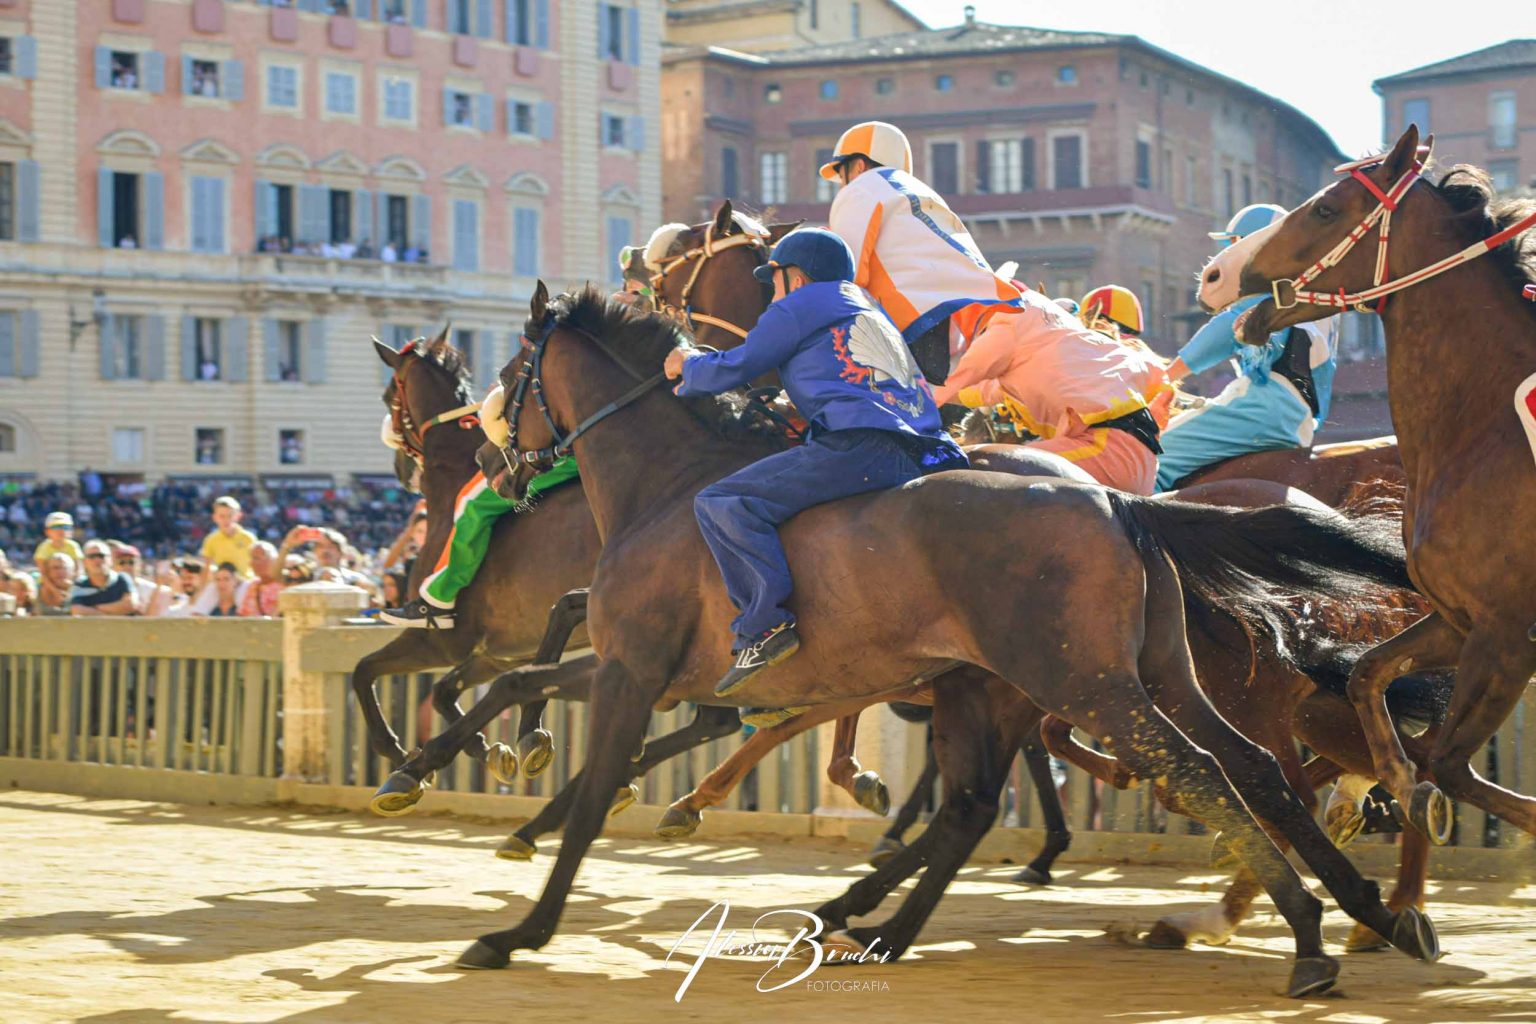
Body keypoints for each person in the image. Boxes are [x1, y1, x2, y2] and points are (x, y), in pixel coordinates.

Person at [663, 228, 967, 697]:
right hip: (927, 450)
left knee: (723, 500)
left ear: (796, 278)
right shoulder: (868, 308)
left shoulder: (798, 306)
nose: (773, 293)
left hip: (863, 448)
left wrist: (688, 367)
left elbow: (739, 365)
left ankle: (764, 628)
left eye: (776, 281)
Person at [1154, 204, 1342, 492]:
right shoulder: (1303, 291)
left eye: (1233, 244)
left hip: (1264, 407)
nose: (1226, 254)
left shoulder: (1268, 294)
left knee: (1152, 454)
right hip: (1297, 420)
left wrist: (1165, 377)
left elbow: (1223, 331)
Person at [822, 120, 1023, 384]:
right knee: (924, 406)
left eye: (842, 173)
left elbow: (848, 272)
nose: (841, 185)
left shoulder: (862, 187)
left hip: (892, 325)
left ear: (859, 165)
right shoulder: (922, 192)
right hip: (934, 322)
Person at [70, 540, 139, 617]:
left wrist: (93, 608)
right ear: (85, 562)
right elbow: (76, 610)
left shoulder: (122, 578)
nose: (97, 560)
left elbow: (131, 605)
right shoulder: (80, 583)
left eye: (101, 556)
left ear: (111, 560)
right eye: (92, 556)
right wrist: (113, 613)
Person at [200, 495, 258, 577]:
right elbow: (206, 568)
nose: (226, 520)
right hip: (223, 585)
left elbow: (257, 564)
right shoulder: (211, 540)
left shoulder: (248, 538)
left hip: (245, 584)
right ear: (214, 517)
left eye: (230, 516)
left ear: (238, 516)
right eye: (222, 516)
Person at [238, 542, 283, 616]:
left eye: (256, 558)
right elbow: (242, 616)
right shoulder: (253, 585)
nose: (251, 563)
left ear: (271, 560)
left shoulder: (285, 586)